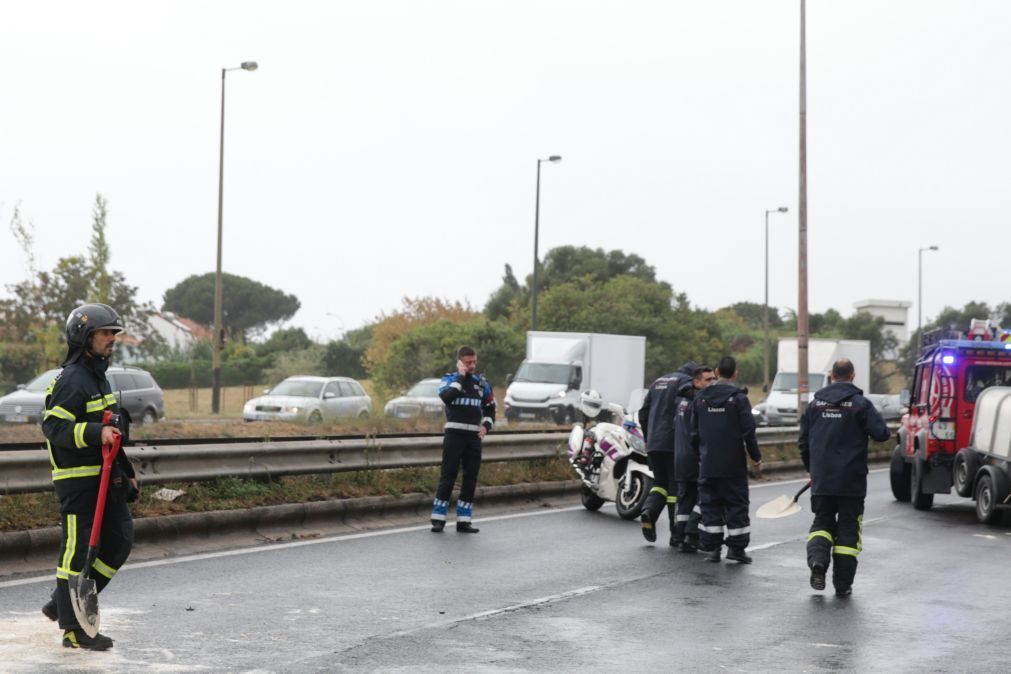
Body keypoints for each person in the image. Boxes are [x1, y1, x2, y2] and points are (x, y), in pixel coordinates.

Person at [41, 303, 138, 651]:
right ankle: (73, 629)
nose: (113, 338)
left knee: (120, 540)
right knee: (77, 552)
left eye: (114, 332)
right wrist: (96, 432)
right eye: (105, 333)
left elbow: (113, 428)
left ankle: (61, 601)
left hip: (105, 479)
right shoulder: (72, 380)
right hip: (78, 481)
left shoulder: (99, 377)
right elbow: (54, 426)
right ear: (85, 337)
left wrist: (126, 473)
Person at [799, 358, 890, 596]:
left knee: (822, 523)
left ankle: (818, 562)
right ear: (852, 375)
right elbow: (881, 434)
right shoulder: (860, 404)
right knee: (849, 530)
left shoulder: (814, 405)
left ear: (832, 375)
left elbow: (803, 442)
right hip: (852, 481)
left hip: (822, 479)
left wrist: (812, 470)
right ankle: (842, 585)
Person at [690, 356, 761, 564]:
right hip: (733, 464)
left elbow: (693, 434)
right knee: (736, 505)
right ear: (735, 373)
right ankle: (736, 550)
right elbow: (749, 432)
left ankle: (712, 550)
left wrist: (700, 456)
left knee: (710, 505)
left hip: (708, 463)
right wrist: (755, 458)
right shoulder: (738, 398)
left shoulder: (700, 399)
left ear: (717, 372)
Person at [431, 346, 496, 534]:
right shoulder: (449, 380)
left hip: (474, 438)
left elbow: (490, 408)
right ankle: (438, 519)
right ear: (460, 362)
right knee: (448, 476)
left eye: (474, 362)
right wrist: (461, 377)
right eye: (468, 363)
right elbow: (446, 397)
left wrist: (486, 426)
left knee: (470, 478)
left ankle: (464, 521)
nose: (472, 366)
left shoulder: (482, 384)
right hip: (454, 435)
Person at [637, 361, 698, 544]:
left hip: (654, 443)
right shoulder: (686, 382)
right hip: (673, 443)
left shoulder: (657, 382)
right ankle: (676, 534)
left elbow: (643, 414)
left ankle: (649, 511)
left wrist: (649, 437)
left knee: (660, 482)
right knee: (675, 488)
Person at [671, 366, 716, 552]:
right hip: (695, 457)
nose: (712, 383)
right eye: (707, 380)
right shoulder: (700, 403)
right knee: (704, 497)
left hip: (681, 457)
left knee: (685, 499)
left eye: (713, 379)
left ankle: (678, 536)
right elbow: (702, 433)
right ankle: (691, 534)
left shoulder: (682, 400)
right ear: (696, 382)